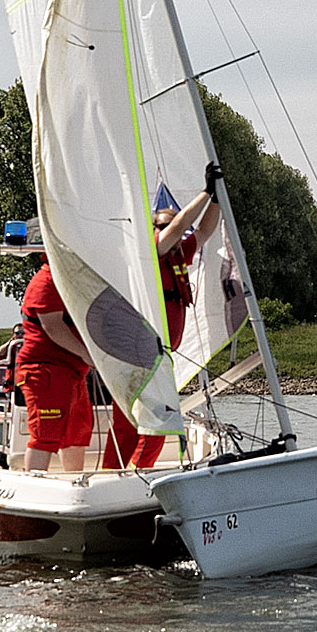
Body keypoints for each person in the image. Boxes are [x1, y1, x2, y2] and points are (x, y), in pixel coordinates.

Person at [101, 162, 223, 470]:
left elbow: (205, 228)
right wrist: (205, 191)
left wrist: (218, 198)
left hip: (158, 355)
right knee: (157, 421)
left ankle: (120, 473)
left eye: (168, 223)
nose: (167, 229)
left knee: (137, 422)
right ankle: (133, 474)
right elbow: (181, 226)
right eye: (161, 225)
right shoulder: (150, 252)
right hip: (140, 353)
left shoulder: (180, 251)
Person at [16, 258, 94, 473]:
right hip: (45, 371)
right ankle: (34, 485)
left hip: (73, 371)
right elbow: (53, 327)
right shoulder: (46, 282)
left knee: (77, 433)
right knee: (45, 435)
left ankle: (76, 481)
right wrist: (87, 355)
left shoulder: (68, 280)